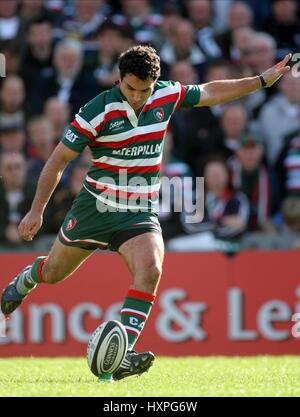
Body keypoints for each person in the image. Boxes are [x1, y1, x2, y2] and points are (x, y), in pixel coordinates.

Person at [1, 45, 291, 380]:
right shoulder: (96, 111)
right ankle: (26, 279)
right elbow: (57, 162)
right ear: (118, 79)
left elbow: (211, 91)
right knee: (53, 273)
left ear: (156, 83)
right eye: (131, 89)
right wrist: (36, 211)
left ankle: (121, 354)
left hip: (138, 210)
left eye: (145, 90)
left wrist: (260, 80)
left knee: (151, 269)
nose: (138, 97)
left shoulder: (166, 95)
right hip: (96, 207)